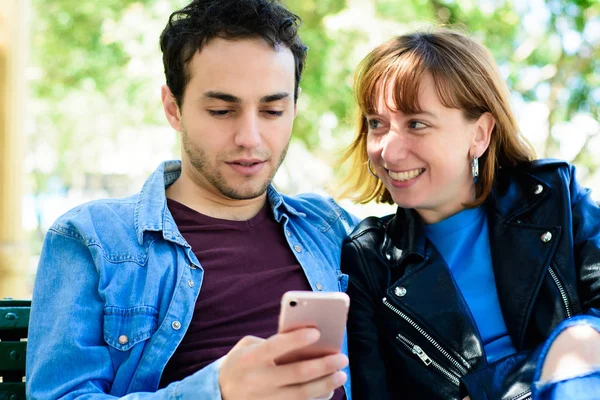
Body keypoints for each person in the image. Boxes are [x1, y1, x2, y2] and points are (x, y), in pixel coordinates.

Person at [26, 1, 357, 399]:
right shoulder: (92, 239)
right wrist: (218, 390)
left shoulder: (330, 227)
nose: (250, 137)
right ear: (173, 108)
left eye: (272, 110)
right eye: (221, 110)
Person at [338, 28, 600, 400]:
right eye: (376, 124)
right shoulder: (369, 261)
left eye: (416, 124)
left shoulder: (552, 196)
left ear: (479, 134)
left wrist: (490, 391)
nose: (388, 152)